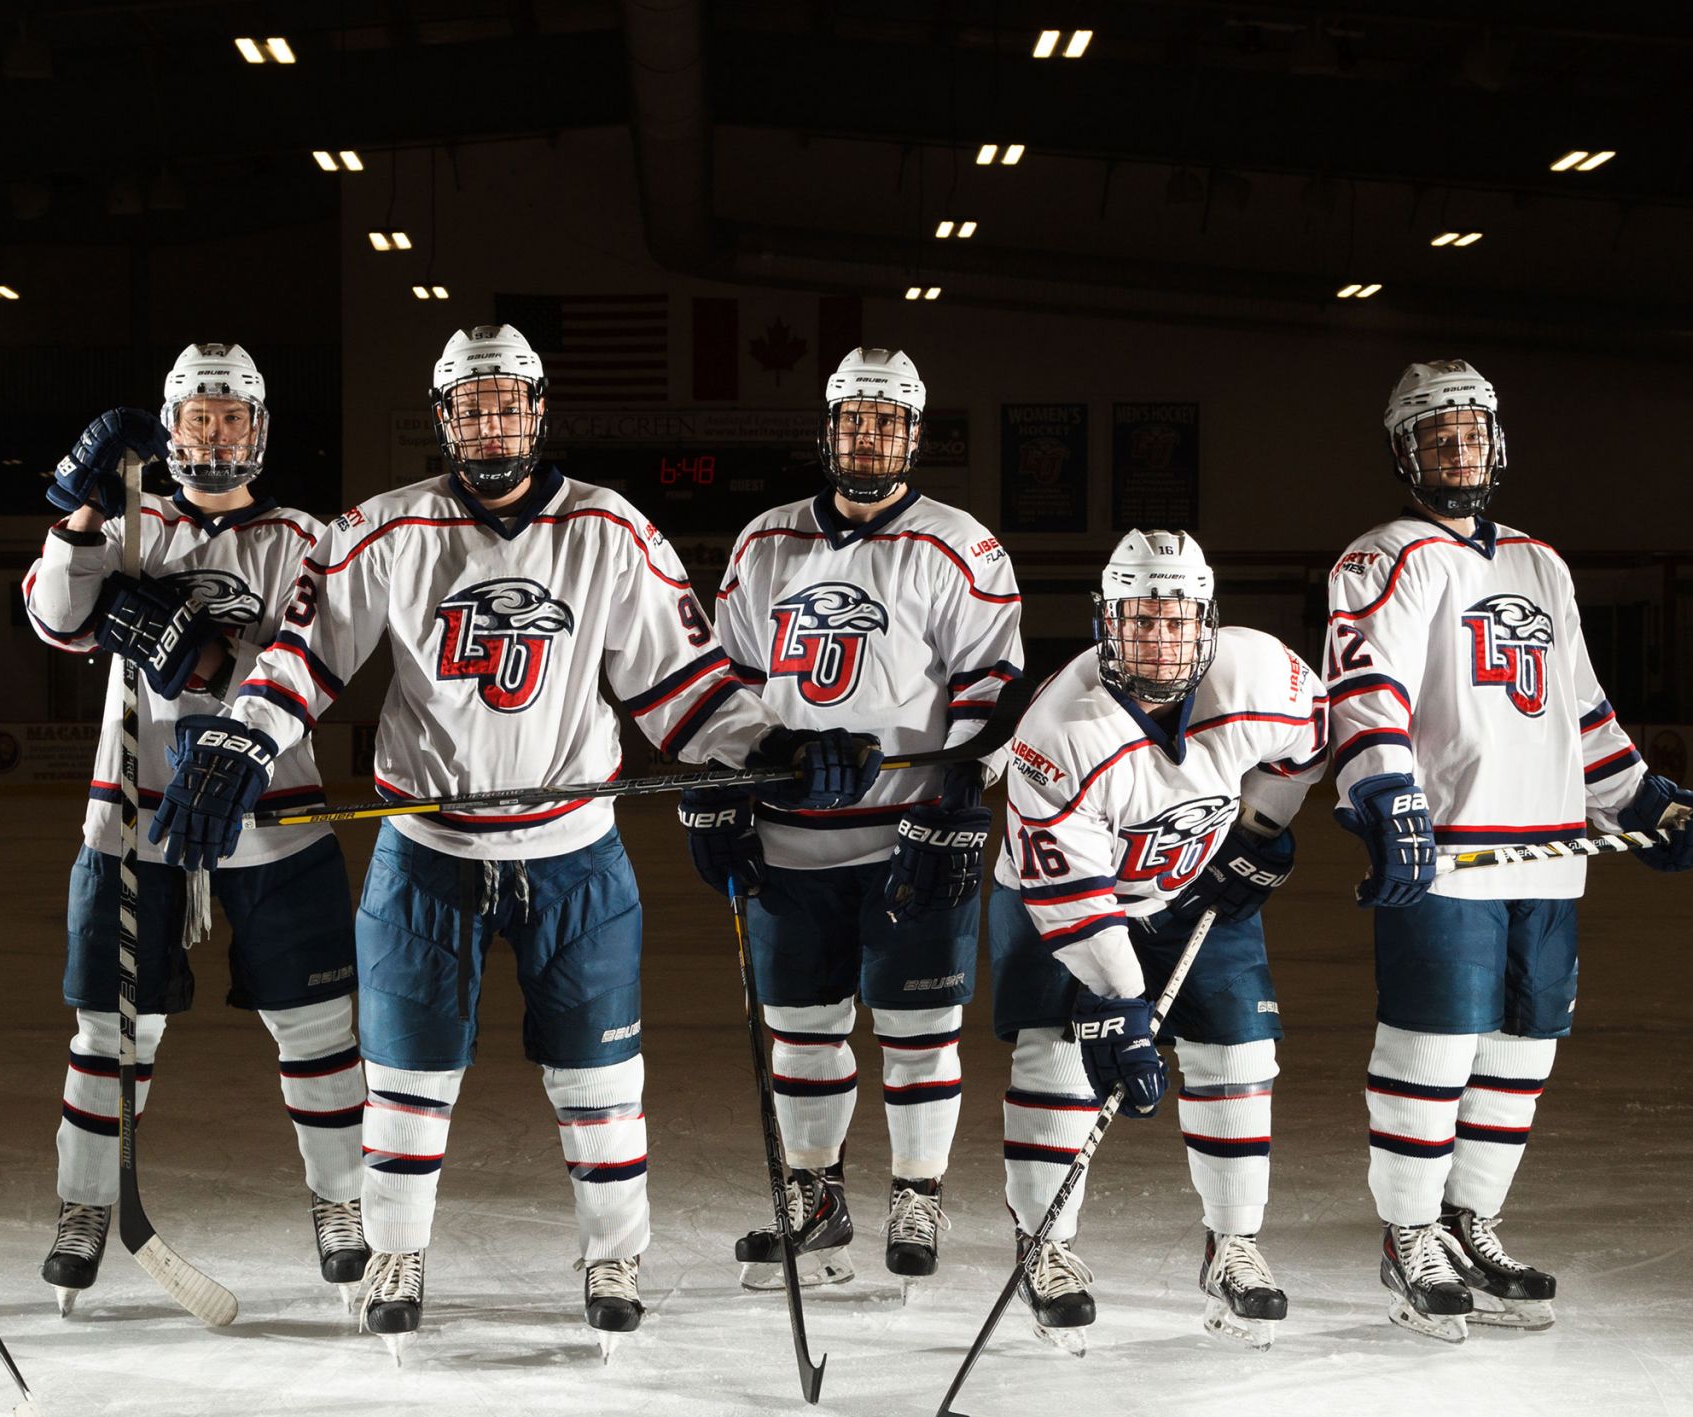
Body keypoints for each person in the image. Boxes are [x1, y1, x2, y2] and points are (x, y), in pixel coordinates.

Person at [149, 324, 881, 1359]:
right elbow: (300, 662)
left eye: (509, 403)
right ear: (444, 416)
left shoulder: (609, 527)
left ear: (538, 411)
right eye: (471, 405)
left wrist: (778, 740)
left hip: (573, 853)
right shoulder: (380, 530)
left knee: (598, 1080)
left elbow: (685, 688)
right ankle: (398, 1251)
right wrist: (239, 738)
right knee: (407, 1074)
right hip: (426, 850)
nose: (491, 422)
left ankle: (612, 1254)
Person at [1325, 360, 1693, 1342]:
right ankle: (1408, 1230)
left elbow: (1580, 706)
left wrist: (1650, 799)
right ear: (1403, 454)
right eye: (1435, 437)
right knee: (1432, 1045)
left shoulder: (1541, 564)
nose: (1456, 450)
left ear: (1497, 440)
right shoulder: (1384, 556)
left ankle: (1472, 1217)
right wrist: (1385, 793)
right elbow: (1363, 685)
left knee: (1520, 1048)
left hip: (1548, 853)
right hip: (1446, 852)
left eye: (1468, 432)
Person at [23, 343, 365, 1314]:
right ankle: (86, 1205)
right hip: (133, 825)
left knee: (317, 1031)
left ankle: (342, 1204)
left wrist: (203, 660)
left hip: (275, 823)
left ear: (259, 430)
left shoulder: (302, 534)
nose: (214, 432)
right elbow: (56, 618)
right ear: (169, 428)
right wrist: (84, 506)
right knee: (109, 1035)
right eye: (197, 415)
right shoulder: (136, 522)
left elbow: (309, 660)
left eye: (231, 416)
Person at [683, 347, 1023, 1295]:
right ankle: (816, 1195)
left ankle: (916, 1191)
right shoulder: (763, 543)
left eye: (887, 421)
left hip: (906, 833)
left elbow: (994, 686)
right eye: (852, 419)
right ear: (826, 427)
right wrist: (731, 772)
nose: (867, 436)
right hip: (791, 832)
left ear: (915, 433)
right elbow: (729, 686)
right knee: (802, 1025)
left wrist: (960, 786)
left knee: (919, 1026)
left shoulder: (962, 545)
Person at [988, 530, 1326, 1352]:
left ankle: (1233, 1242)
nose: (1160, 640)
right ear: (1106, 622)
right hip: (1062, 910)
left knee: (1241, 1053)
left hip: (1193, 890)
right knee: (1059, 1062)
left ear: (1207, 620)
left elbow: (1309, 744)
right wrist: (1122, 1003)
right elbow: (1070, 900)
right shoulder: (1061, 728)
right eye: (1140, 621)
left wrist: (1260, 831)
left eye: (1177, 621)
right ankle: (1046, 1246)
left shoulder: (1259, 675)